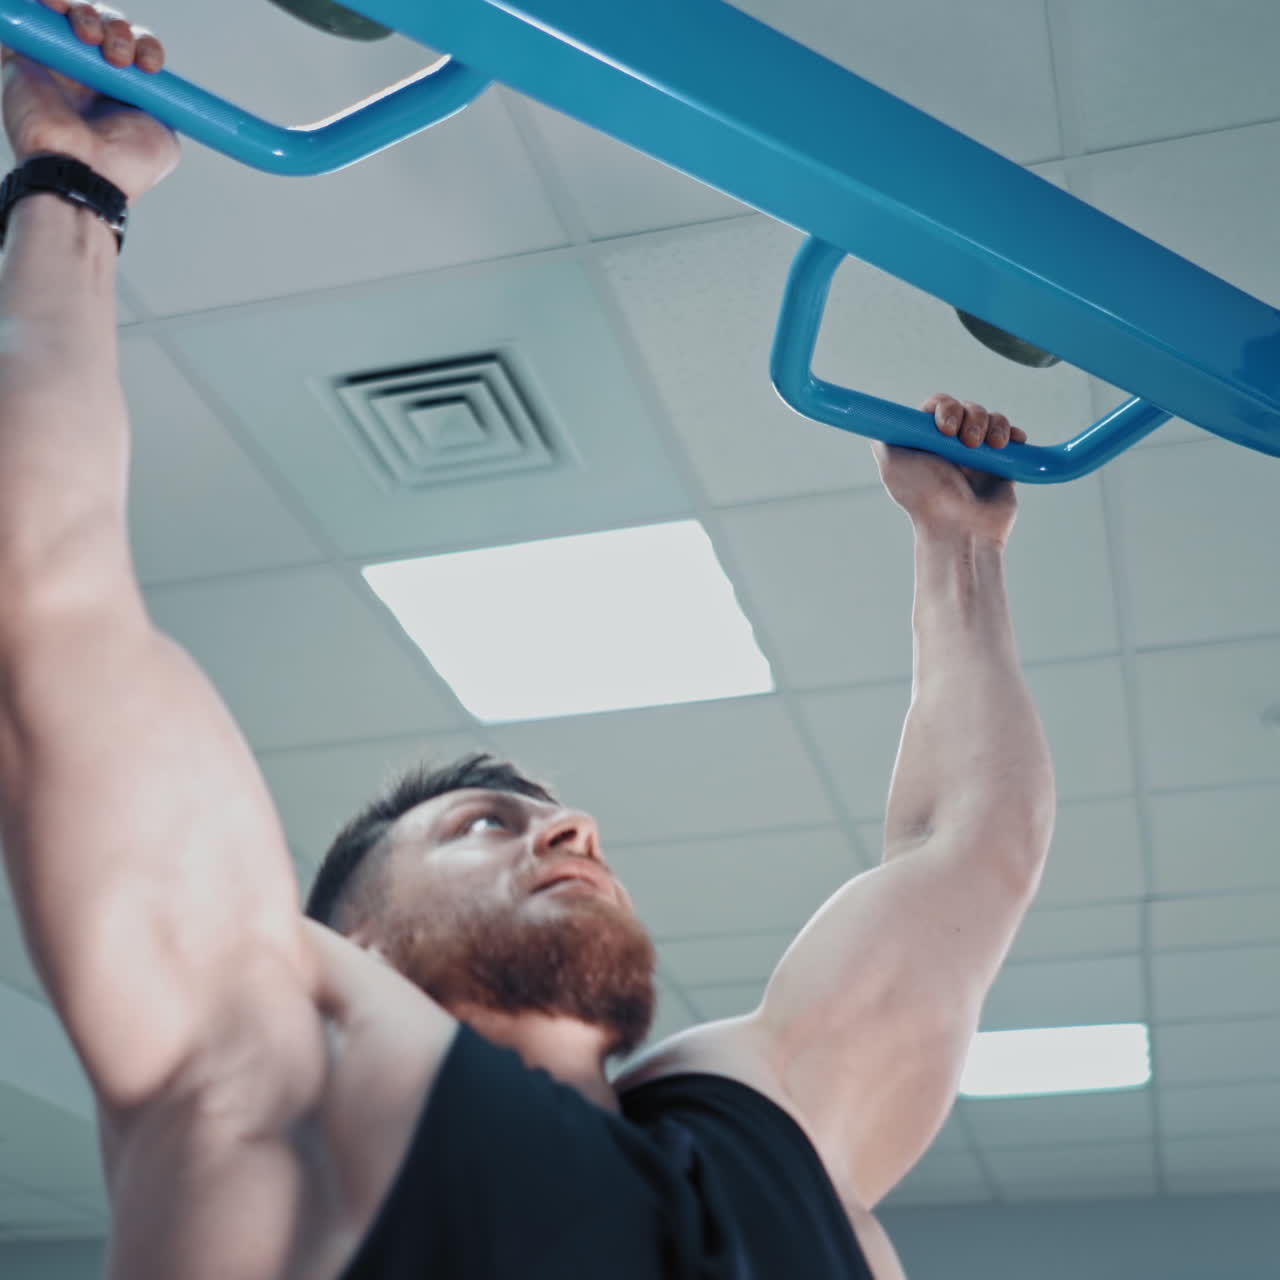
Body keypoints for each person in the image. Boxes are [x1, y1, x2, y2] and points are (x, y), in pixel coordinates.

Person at [0, 4, 1054, 1278]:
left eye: (520, 817)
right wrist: (70, 186)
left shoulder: (773, 1119)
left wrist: (958, 548)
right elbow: (46, 599)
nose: (571, 829)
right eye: (484, 825)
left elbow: (965, 851)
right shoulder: (284, 1098)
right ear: (353, 947)